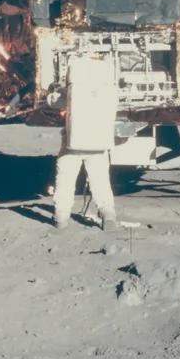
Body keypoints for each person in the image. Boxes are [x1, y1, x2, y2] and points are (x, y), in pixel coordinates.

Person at [51, 53, 119, 230]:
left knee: (65, 180)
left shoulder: (69, 91)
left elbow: (52, 102)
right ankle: (108, 214)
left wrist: (52, 92)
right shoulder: (110, 91)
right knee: (101, 181)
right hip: (99, 144)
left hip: (73, 144)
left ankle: (61, 217)